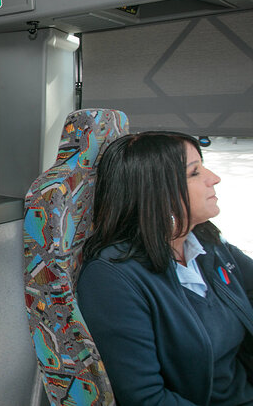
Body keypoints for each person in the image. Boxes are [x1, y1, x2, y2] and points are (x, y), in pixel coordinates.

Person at [77, 131, 253, 405]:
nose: (213, 178)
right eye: (194, 173)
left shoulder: (207, 242)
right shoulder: (112, 279)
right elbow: (146, 398)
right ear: (158, 192)